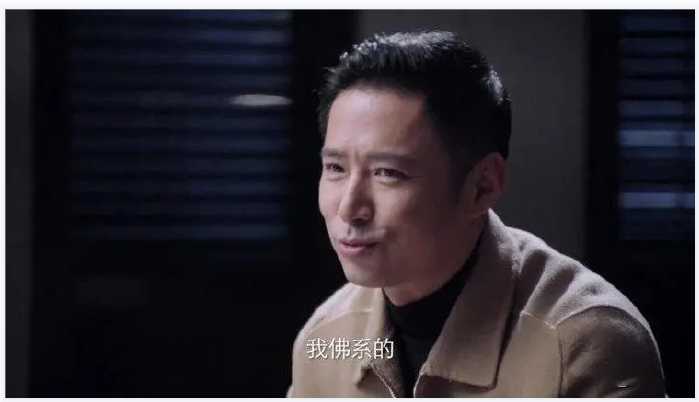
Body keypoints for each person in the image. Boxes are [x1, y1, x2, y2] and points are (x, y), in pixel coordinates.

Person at [287, 30, 665, 397]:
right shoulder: (324, 339)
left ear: (482, 186)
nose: (349, 208)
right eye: (335, 168)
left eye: (388, 173)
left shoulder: (586, 344)